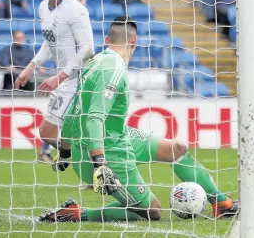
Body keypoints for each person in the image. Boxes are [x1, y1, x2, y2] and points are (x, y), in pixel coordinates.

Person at [39, 17, 238, 222]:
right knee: (152, 210)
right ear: (134, 41)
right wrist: (100, 162)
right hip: (106, 152)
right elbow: (93, 118)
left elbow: (74, 109)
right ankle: (78, 213)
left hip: (117, 137)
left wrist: (64, 150)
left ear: (107, 39)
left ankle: (221, 203)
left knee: (176, 149)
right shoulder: (113, 68)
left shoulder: (96, 61)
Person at [14, 0, 95, 162]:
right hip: (63, 78)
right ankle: (83, 158)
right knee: (47, 133)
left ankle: (92, 163)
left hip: (81, 78)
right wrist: (30, 67)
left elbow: (88, 49)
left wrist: (60, 77)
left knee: (62, 131)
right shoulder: (43, 8)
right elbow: (50, 43)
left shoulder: (76, 10)